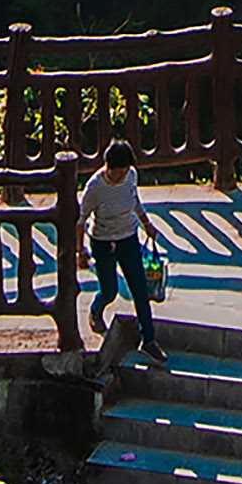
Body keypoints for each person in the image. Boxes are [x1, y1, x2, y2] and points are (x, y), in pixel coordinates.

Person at [78, 143, 159, 356]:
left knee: (140, 289)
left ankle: (148, 339)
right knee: (110, 290)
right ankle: (96, 309)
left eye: (125, 170)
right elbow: (81, 220)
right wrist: (80, 251)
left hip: (128, 238)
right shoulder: (95, 187)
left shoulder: (131, 176)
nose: (122, 175)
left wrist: (147, 224)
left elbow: (134, 201)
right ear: (108, 167)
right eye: (119, 171)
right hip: (103, 241)